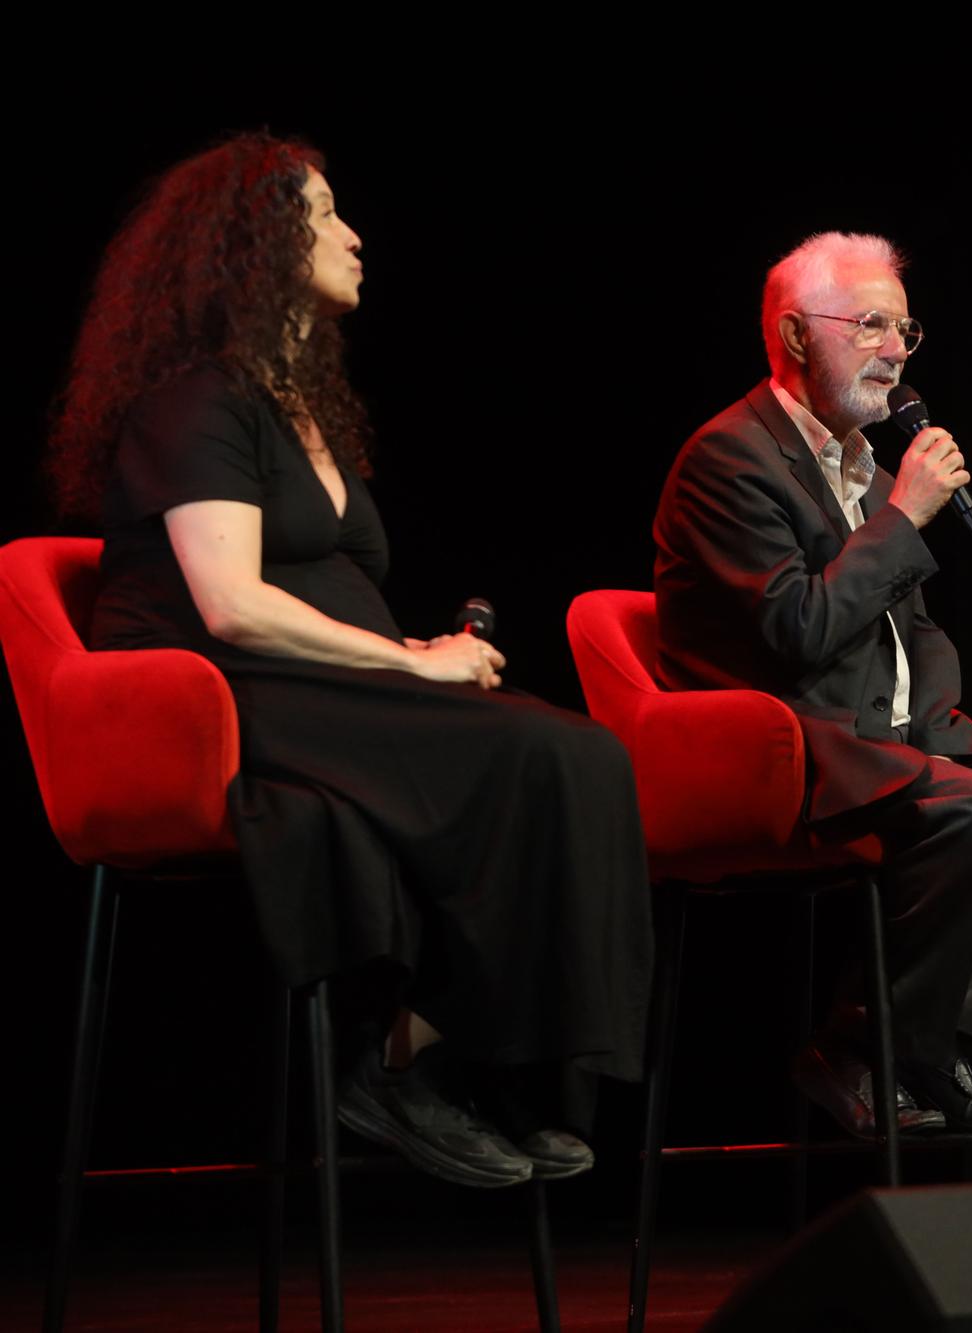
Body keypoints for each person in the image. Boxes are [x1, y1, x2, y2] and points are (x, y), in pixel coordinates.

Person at [47, 133, 652, 1187]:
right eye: (325, 214)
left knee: (577, 755)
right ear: (257, 243)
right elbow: (231, 605)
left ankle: (473, 1061)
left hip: (321, 679)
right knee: (544, 759)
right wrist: (408, 669)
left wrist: (411, 650)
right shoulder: (192, 402)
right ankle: (415, 1060)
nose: (353, 235)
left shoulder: (304, 408)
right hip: (216, 693)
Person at [652, 232, 972, 1138]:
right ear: (797, 336)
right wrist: (906, 516)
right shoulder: (729, 461)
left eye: (905, 331)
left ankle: (922, 1038)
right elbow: (796, 632)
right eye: (870, 325)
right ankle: (870, 1046)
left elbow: (913, 633)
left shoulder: (868, 471)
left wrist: (933, 716)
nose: (894, 352)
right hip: (795, 751)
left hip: (900, 744)